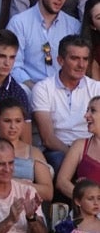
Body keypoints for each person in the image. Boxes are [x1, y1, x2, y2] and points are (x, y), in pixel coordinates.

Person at [32, 35, 100, 170]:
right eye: (74, 58)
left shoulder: (96, 88)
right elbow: (48, 138)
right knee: (59, 160)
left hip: (91, 148)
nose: (81, 65)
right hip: (59, 150)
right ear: (60, 60)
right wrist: (77, 157)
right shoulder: (43, 88)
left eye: (85, 59)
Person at [5, 0, 76, 88]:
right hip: (28, 89)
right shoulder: (19, 23)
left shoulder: (74, 26)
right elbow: (13, 66)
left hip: (63, 90)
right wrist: (36, 90)